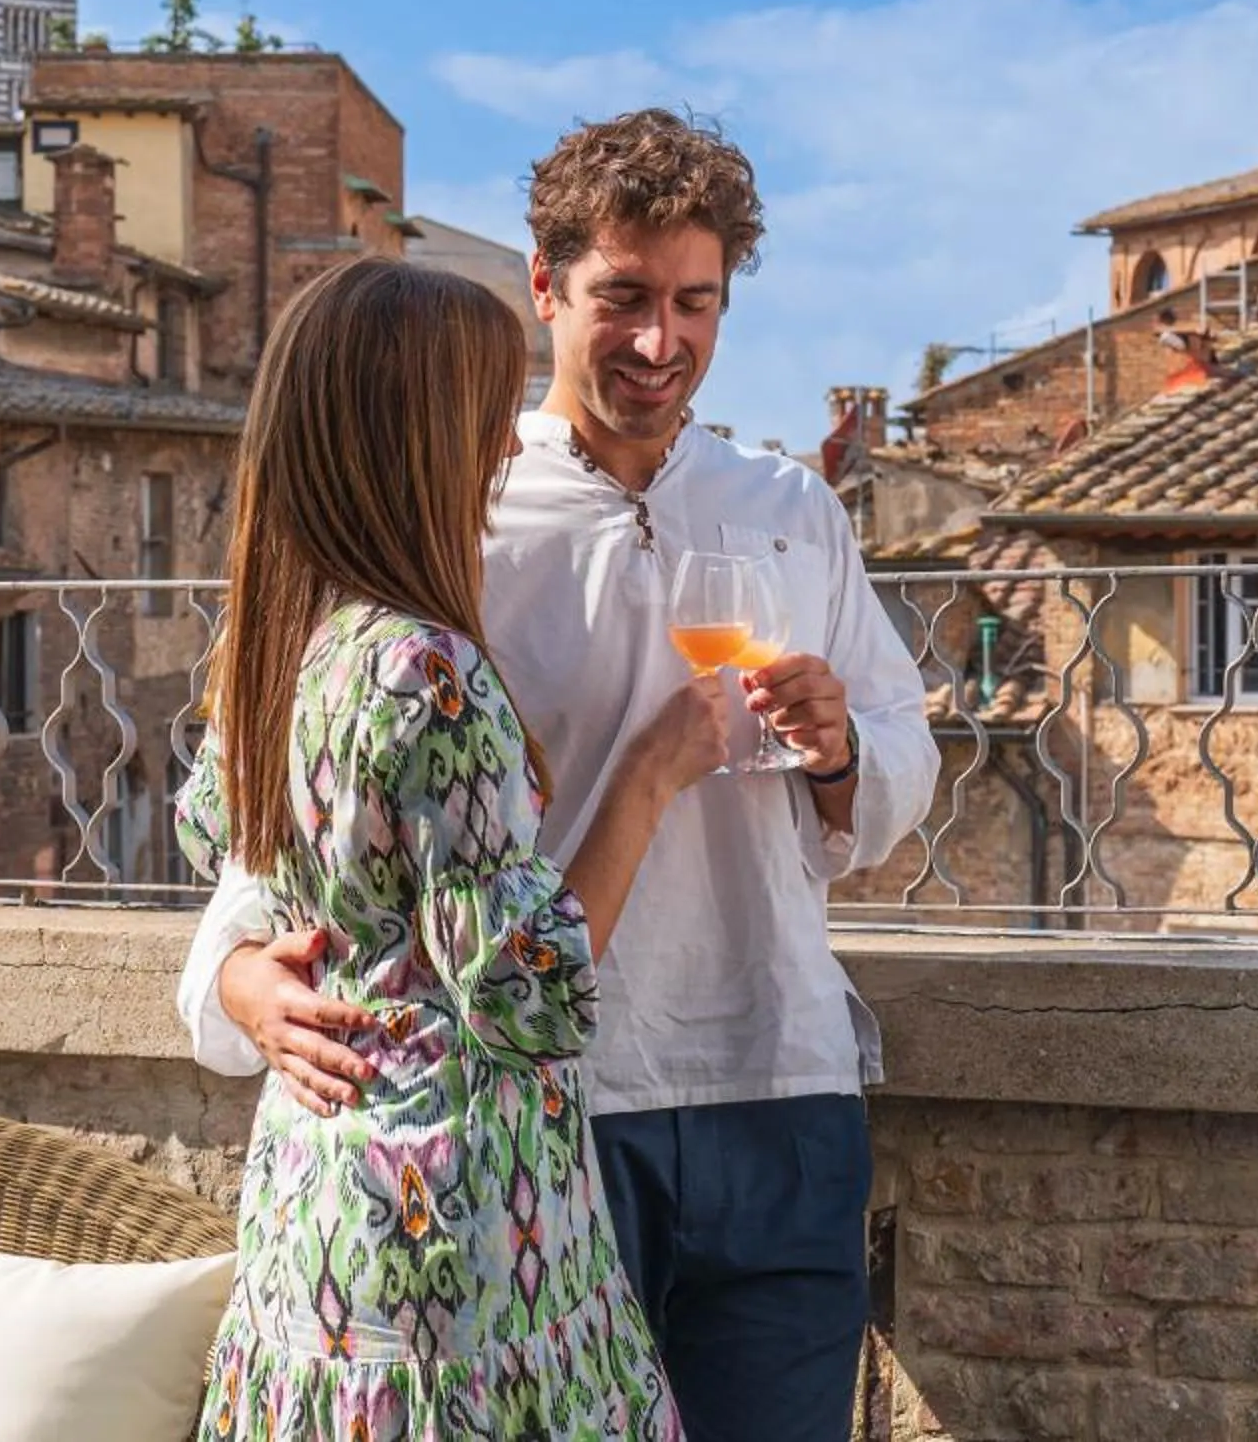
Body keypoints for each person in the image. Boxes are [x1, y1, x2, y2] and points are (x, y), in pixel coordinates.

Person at [178, 108, 936, 1441]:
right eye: (625, 299)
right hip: (548, 1121)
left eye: (697, 303)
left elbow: (899, 779)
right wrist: (235, 980)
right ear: (545, 289)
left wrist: (841, 750)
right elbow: (284, 821)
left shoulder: (788, 511)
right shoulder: (444, 500)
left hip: (778, 1089)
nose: (663, 342)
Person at [174, 257, 729, 1438]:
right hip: (462, 1238)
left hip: (314, 1213)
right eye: (487, 418)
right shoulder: (429, 673)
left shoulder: (278, 642)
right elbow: (528, 988)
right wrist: (647, 777)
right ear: (420, 438)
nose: (503, 451)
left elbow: (211, 833)